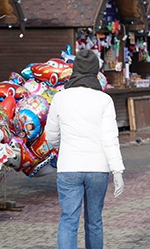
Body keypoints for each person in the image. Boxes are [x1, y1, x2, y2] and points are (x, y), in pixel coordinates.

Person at [45, 50, 125, 249]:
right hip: (98, 167)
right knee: (95, 221)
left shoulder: (60, 98)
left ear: (75, 69)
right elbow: (110, 138)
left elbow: (51, 135)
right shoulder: (104, 100)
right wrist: (117, 170)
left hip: (69, 166)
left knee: (68, 221)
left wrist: (60, 148)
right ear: (96, 71)